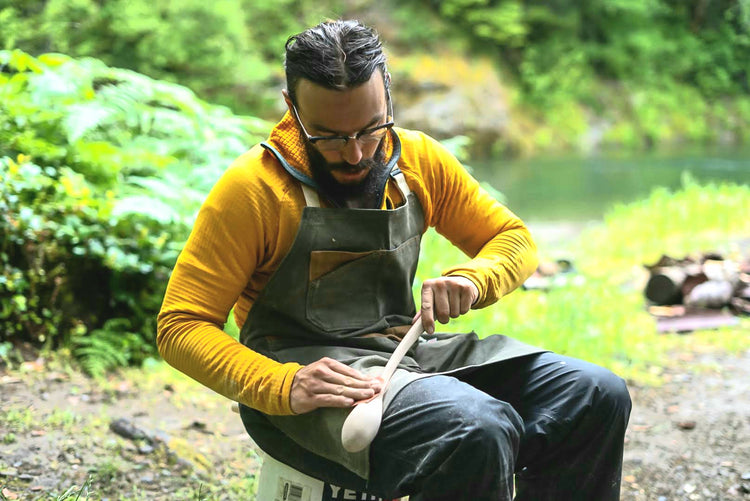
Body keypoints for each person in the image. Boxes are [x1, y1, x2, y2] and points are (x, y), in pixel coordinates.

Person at [157, 19, 631, 500]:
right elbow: (180, 325)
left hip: (406, 355)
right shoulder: (254, 191)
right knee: (473, 429)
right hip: (309, 379)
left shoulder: (419, 161)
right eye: (329, 137)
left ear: (387, 92)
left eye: (371, 128)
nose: (357, 152)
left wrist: (474, 279)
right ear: (291, 108)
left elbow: (513, 239)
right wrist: (282, 385)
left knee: (594, 394)